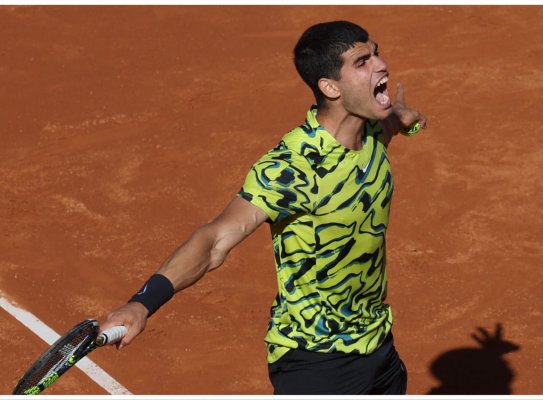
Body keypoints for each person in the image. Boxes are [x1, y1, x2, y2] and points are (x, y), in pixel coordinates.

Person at [100, 20, 428, 395]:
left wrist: (405, 119)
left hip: (378, 345)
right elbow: (214, 240)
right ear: (330, 87)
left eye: (376, 53)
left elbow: (390, 128)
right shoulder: (292, 166)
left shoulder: (370, 132)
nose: (380, 65)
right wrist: (142, 304)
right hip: (316, 360)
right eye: (362, 62)